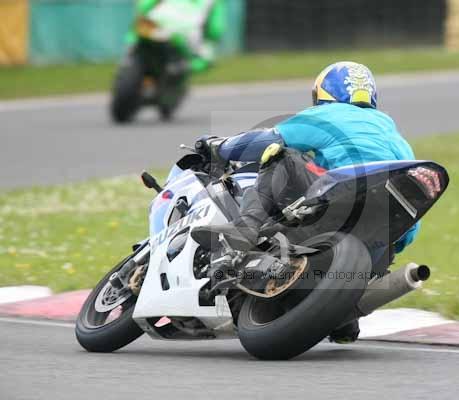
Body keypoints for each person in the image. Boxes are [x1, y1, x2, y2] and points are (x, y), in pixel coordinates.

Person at [194, 61, 420, 343]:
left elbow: (264, 140)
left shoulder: (326, 116)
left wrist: (218, 147)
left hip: (338, 202)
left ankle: (245, 227)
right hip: (380, 239)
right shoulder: (392, 133)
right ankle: (344, 316)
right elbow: (410, 222)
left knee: (281, 156)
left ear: (324, 94)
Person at [128, 0, 225, 73]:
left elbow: (143, 7)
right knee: (203, 57)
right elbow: (215, 30)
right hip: (185, 34)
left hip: (161, 28)